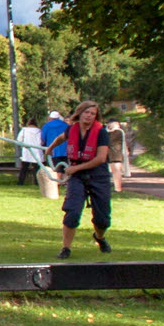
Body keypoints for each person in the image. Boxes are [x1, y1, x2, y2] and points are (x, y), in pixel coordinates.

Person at [56, 100, 113, 258]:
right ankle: (66, 248)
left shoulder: (101, 132)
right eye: (86, 112)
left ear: (96, 116)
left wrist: (75, 168)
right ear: (79, 113)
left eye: (92, 114)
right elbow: (61, 137)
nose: (89, 116)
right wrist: (50, 149)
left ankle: (100, 237)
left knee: (102, 219)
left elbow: (101, 158)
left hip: (97, 174)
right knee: (72, 212)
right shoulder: (72, 129)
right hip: (77, 177)